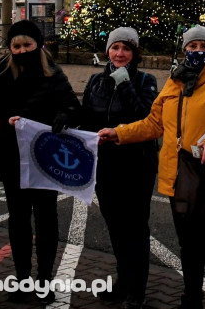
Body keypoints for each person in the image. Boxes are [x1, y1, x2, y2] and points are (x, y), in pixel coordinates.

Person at [99, 25, 205, 309]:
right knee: (188, 246)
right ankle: (190, 300)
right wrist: (119, 133)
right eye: (192, 47)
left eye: (204, 47)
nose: (198, 51)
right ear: (184, 50)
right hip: (179, 176)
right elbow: (154, 124)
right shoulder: (175, 80)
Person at [0, 20, 80, 304]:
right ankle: (22, 279)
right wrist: (5, 123)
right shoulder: (2, 72)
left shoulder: (53, 72)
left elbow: (72, 106)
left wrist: (65, 115)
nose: (21, 50)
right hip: (13, 158)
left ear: (38, 45)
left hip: (44, 158)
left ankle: (44, 279)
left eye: (27, 45)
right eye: (16, 46)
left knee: (46, 220)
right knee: (18, 221)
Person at [79, 27, 158, 309]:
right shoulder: (95, 81)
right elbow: (86, 119)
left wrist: (124, 83)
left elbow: (145, 118)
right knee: (115, 227)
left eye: (126, 48)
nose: (120, 54)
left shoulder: (146, 81)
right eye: (115, 48)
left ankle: (136, 290)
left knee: (135, 228)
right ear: (108, 51)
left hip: (136, 165)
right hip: (106, 166)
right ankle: (123, 281)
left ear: (135, 53)